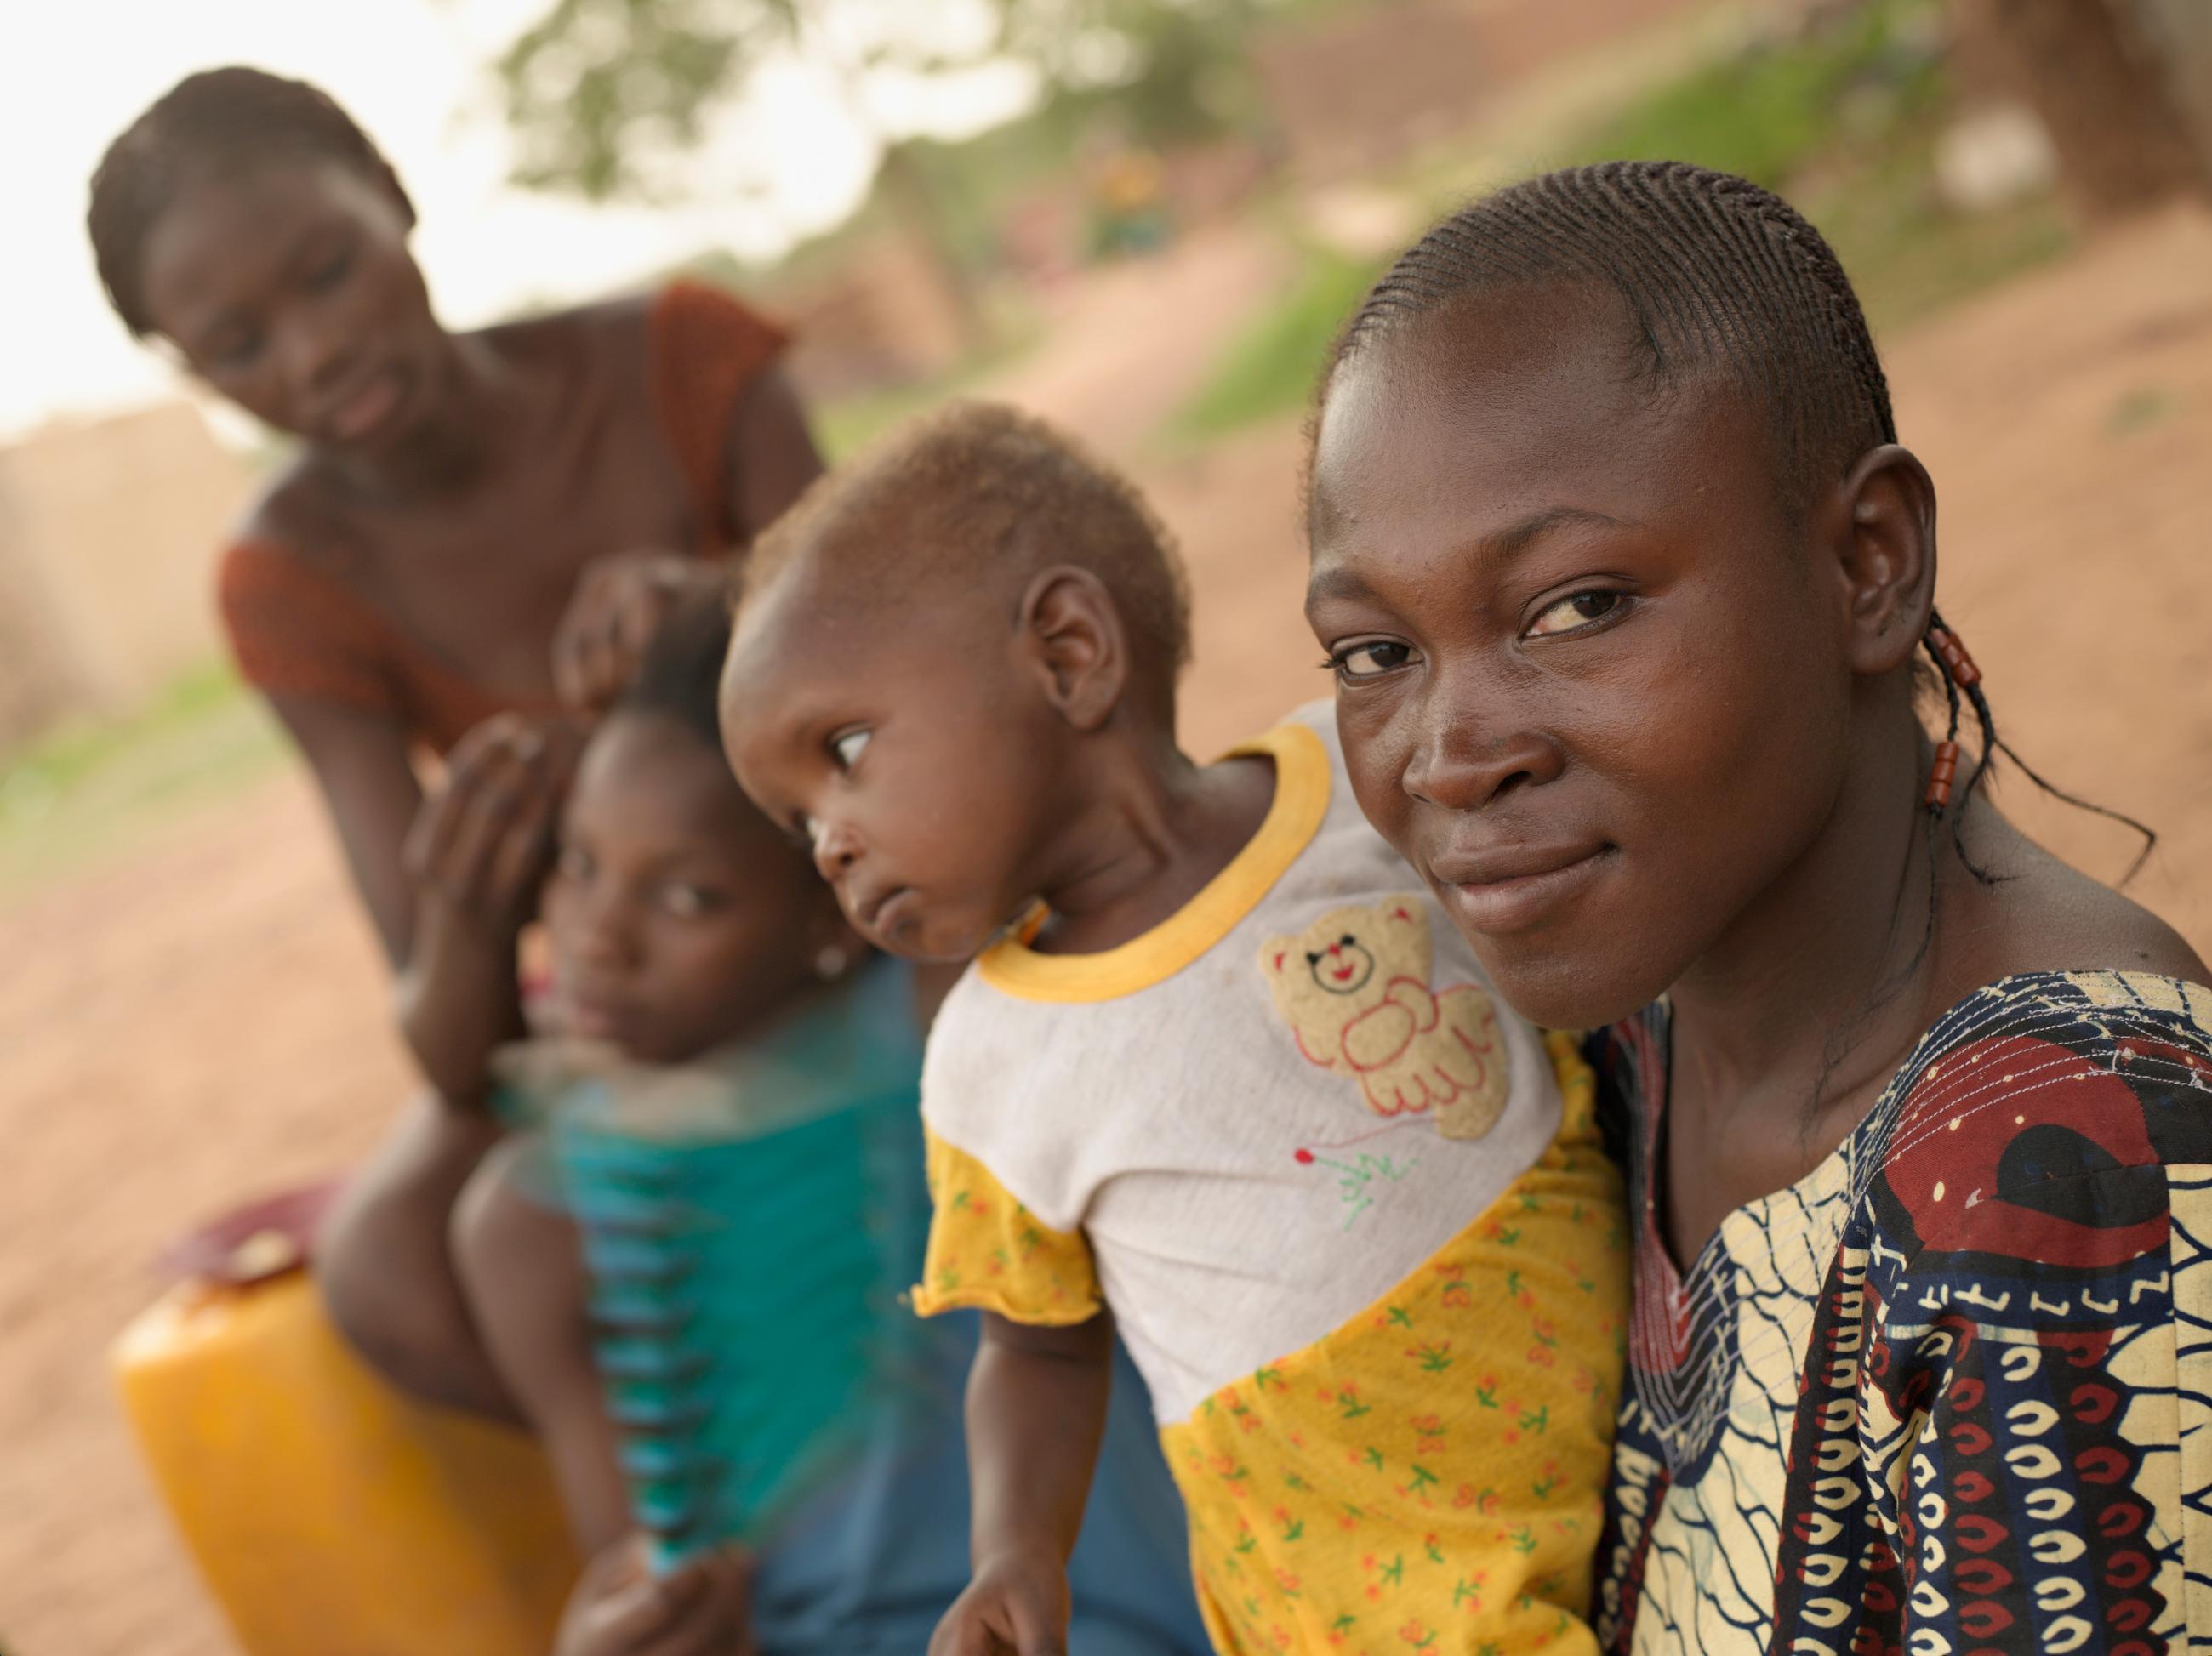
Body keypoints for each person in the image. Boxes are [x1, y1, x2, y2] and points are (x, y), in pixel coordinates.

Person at [1301, 159, 2212, 1654]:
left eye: (1579, 606)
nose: (1454, 757)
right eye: (1373, 651)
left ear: (1870, 560)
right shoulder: (1637, 1030)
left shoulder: (2068, 1156)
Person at [718, 402, 1630, 1656]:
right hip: (1375, 1578)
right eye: (795, 817)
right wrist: (1016, 1551)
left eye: (847, 748)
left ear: (1069, 649)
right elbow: (1035, 1348)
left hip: (1634, 1417)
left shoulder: (1356, 782)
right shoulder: (992, 1064)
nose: (829, 835)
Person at [88, 66, 822, 1412]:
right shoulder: (295, 571)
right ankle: (738, 1523)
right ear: (193, 374)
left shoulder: (679, 364)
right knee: (390, 1265)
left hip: (847, 904)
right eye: (240, 346)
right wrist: (479, 895)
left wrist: (729, 623)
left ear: (395, 202)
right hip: (639, 987)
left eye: (325, 270)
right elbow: (448, 1038)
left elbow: (921, 688)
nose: (313, 355)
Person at [417, 600, 1210, 1655]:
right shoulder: (538, 1228)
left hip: (1098, 1619)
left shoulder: (949, 1036)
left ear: (830, 906)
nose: (597, 937)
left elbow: (998, 744)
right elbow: (655, 1579)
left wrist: (735, 609)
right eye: (577, 862)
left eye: (690, 897)